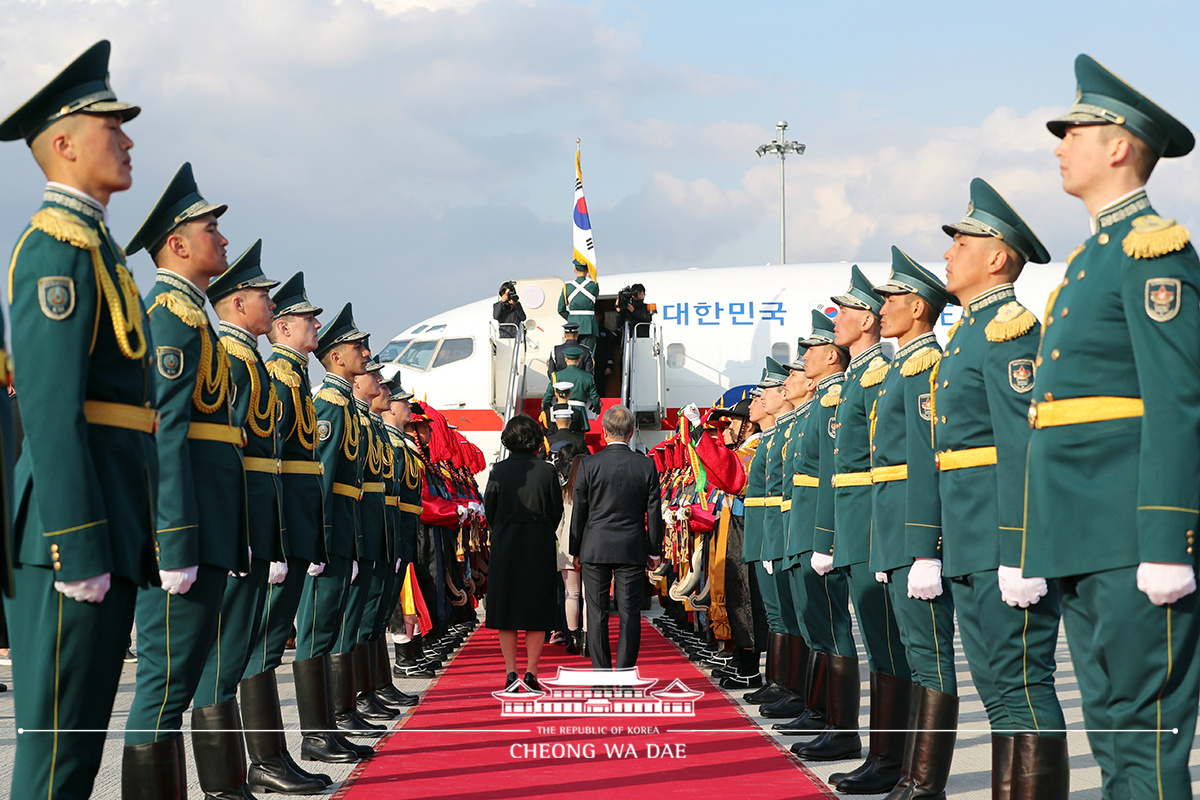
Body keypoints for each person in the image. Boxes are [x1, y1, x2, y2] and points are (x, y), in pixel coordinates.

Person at [1026, 55, 1200, 799]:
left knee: (1144, 732)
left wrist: (1168, 540)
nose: (1060, 145)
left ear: (1120, 145)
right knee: (1112, 729)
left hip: (1131, 533)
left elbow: (1178, 399)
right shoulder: (1089, 260)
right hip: (1082, 533)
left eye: (1075, 132)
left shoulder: (1150, 249)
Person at [0, 40, 147, 800]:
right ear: (62, 143)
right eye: (109, 127)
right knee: (54, 760)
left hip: (108, 521)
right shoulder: (54, 251)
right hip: (71, 535)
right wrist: (78, 546)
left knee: (79, 758)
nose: (127, 141)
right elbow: (52, 412)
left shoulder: (97, 247)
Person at [124, 162, 252, 798]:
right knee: (164, 682)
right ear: (176, 243)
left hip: (207, 524)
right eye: (211, 229)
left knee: (180, 678)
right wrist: (172, 540)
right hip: (184, 531)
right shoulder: (171, 318)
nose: (223, 242)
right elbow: (164, 433)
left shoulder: (193, 317)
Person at [937, 179, 1068, 798]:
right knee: (997, 691)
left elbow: (1025, 447)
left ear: (996, 257)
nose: (948, 252)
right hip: (970, 539)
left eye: (961, 241)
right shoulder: (968, 332)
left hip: (1000, 539)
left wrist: (1023, 549)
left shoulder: (1009, 331)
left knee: (1022, 685)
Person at [205, 241, 330, 794]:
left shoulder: (269, 369)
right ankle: (240, 771)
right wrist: (247, 537)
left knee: (257, 645)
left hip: (273, 526)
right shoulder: (241, 363)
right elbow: (231, 458)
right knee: (233, 654)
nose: (272, 307)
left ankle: (264, 757)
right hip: (252, 529)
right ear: (237, 303)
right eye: (263, 296)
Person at [256, 274, 373, 765]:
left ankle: (323, 730)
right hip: (307, 533)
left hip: (328, 534)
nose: (317, 325)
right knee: (289, 639)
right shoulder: (301, 390)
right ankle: (303, 741)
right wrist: (301, 542)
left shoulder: (309, 389)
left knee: (323, 632)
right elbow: (307, 477)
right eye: (308, 319)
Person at [868, 247, 959, 800]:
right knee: (909, 647)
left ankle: (926, 781)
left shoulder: (924, 365)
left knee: (928, 653)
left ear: (920, 307)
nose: (884, 309)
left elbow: (928, 455)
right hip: (894, 526)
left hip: (913, 526)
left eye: (892, 299)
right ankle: (907, 769)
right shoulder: (902, 366)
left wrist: (928, 544)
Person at [820, 263, 913, 779]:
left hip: (872, 523)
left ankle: (891, 758)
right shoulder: (860, 375)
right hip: (856, 523)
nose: (839, 318)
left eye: (848, 310)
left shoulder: (876, 375)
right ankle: (884, 754)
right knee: (880, 643)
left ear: (871, 320)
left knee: (888, 645)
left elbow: (887, 461)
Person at [305, 304, 382, 739]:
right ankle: (321, 728)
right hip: (334, 536)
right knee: (320, 630)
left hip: (349, 534)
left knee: (342, 625)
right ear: (336, 357)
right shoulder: (331, 406)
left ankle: (337, 715)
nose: (366, 353)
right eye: (358, 347)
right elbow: (324, 476)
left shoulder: (344, 406)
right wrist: (322, 539)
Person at [570, 405, 663, 669]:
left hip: (595, 546)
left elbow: (580, 510)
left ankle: (601, 675)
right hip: (631, 546)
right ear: (631, 432)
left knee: (596, 613)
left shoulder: (589, 464)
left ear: (604, 432)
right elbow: (653, 512)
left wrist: (575, 548)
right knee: (629, 613)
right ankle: (623, 674)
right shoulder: (646, 465)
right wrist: (654, 550)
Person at [484, 414, 565, 689]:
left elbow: (490, 509)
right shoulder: (547, 470)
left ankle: (510, 672)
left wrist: (504, 529)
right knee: (536, 609)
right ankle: (531, 672)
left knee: (507, 609)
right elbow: (557, 511)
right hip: (538, 544)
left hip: (506, 543)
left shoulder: (498, 470)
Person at [555, 451, 588, 655]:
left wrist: (562, 540)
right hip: (590, 546)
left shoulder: (564, 491)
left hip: (568, 546)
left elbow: (559, 525)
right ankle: (587, 638)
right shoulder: (594, 490)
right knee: (589, 596)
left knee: (571, 594)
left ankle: (572, 638)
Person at [543, 347, 601, 429]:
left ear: (566, 359)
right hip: (580, 411)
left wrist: (544, 410)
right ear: (579, 360)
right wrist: (597, 410)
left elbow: (548, 396)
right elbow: (594, 397)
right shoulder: (587, 376)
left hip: (561, 411)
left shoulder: (556, 375)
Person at [558, 260, 600, 354]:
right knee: (589, 356)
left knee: (572, 355)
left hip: (573, 326)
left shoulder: (567, 287)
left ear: (575, 270)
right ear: (588, 271)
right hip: (589, 325)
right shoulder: (594, 285)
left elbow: (560, 309)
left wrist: (571, 318)